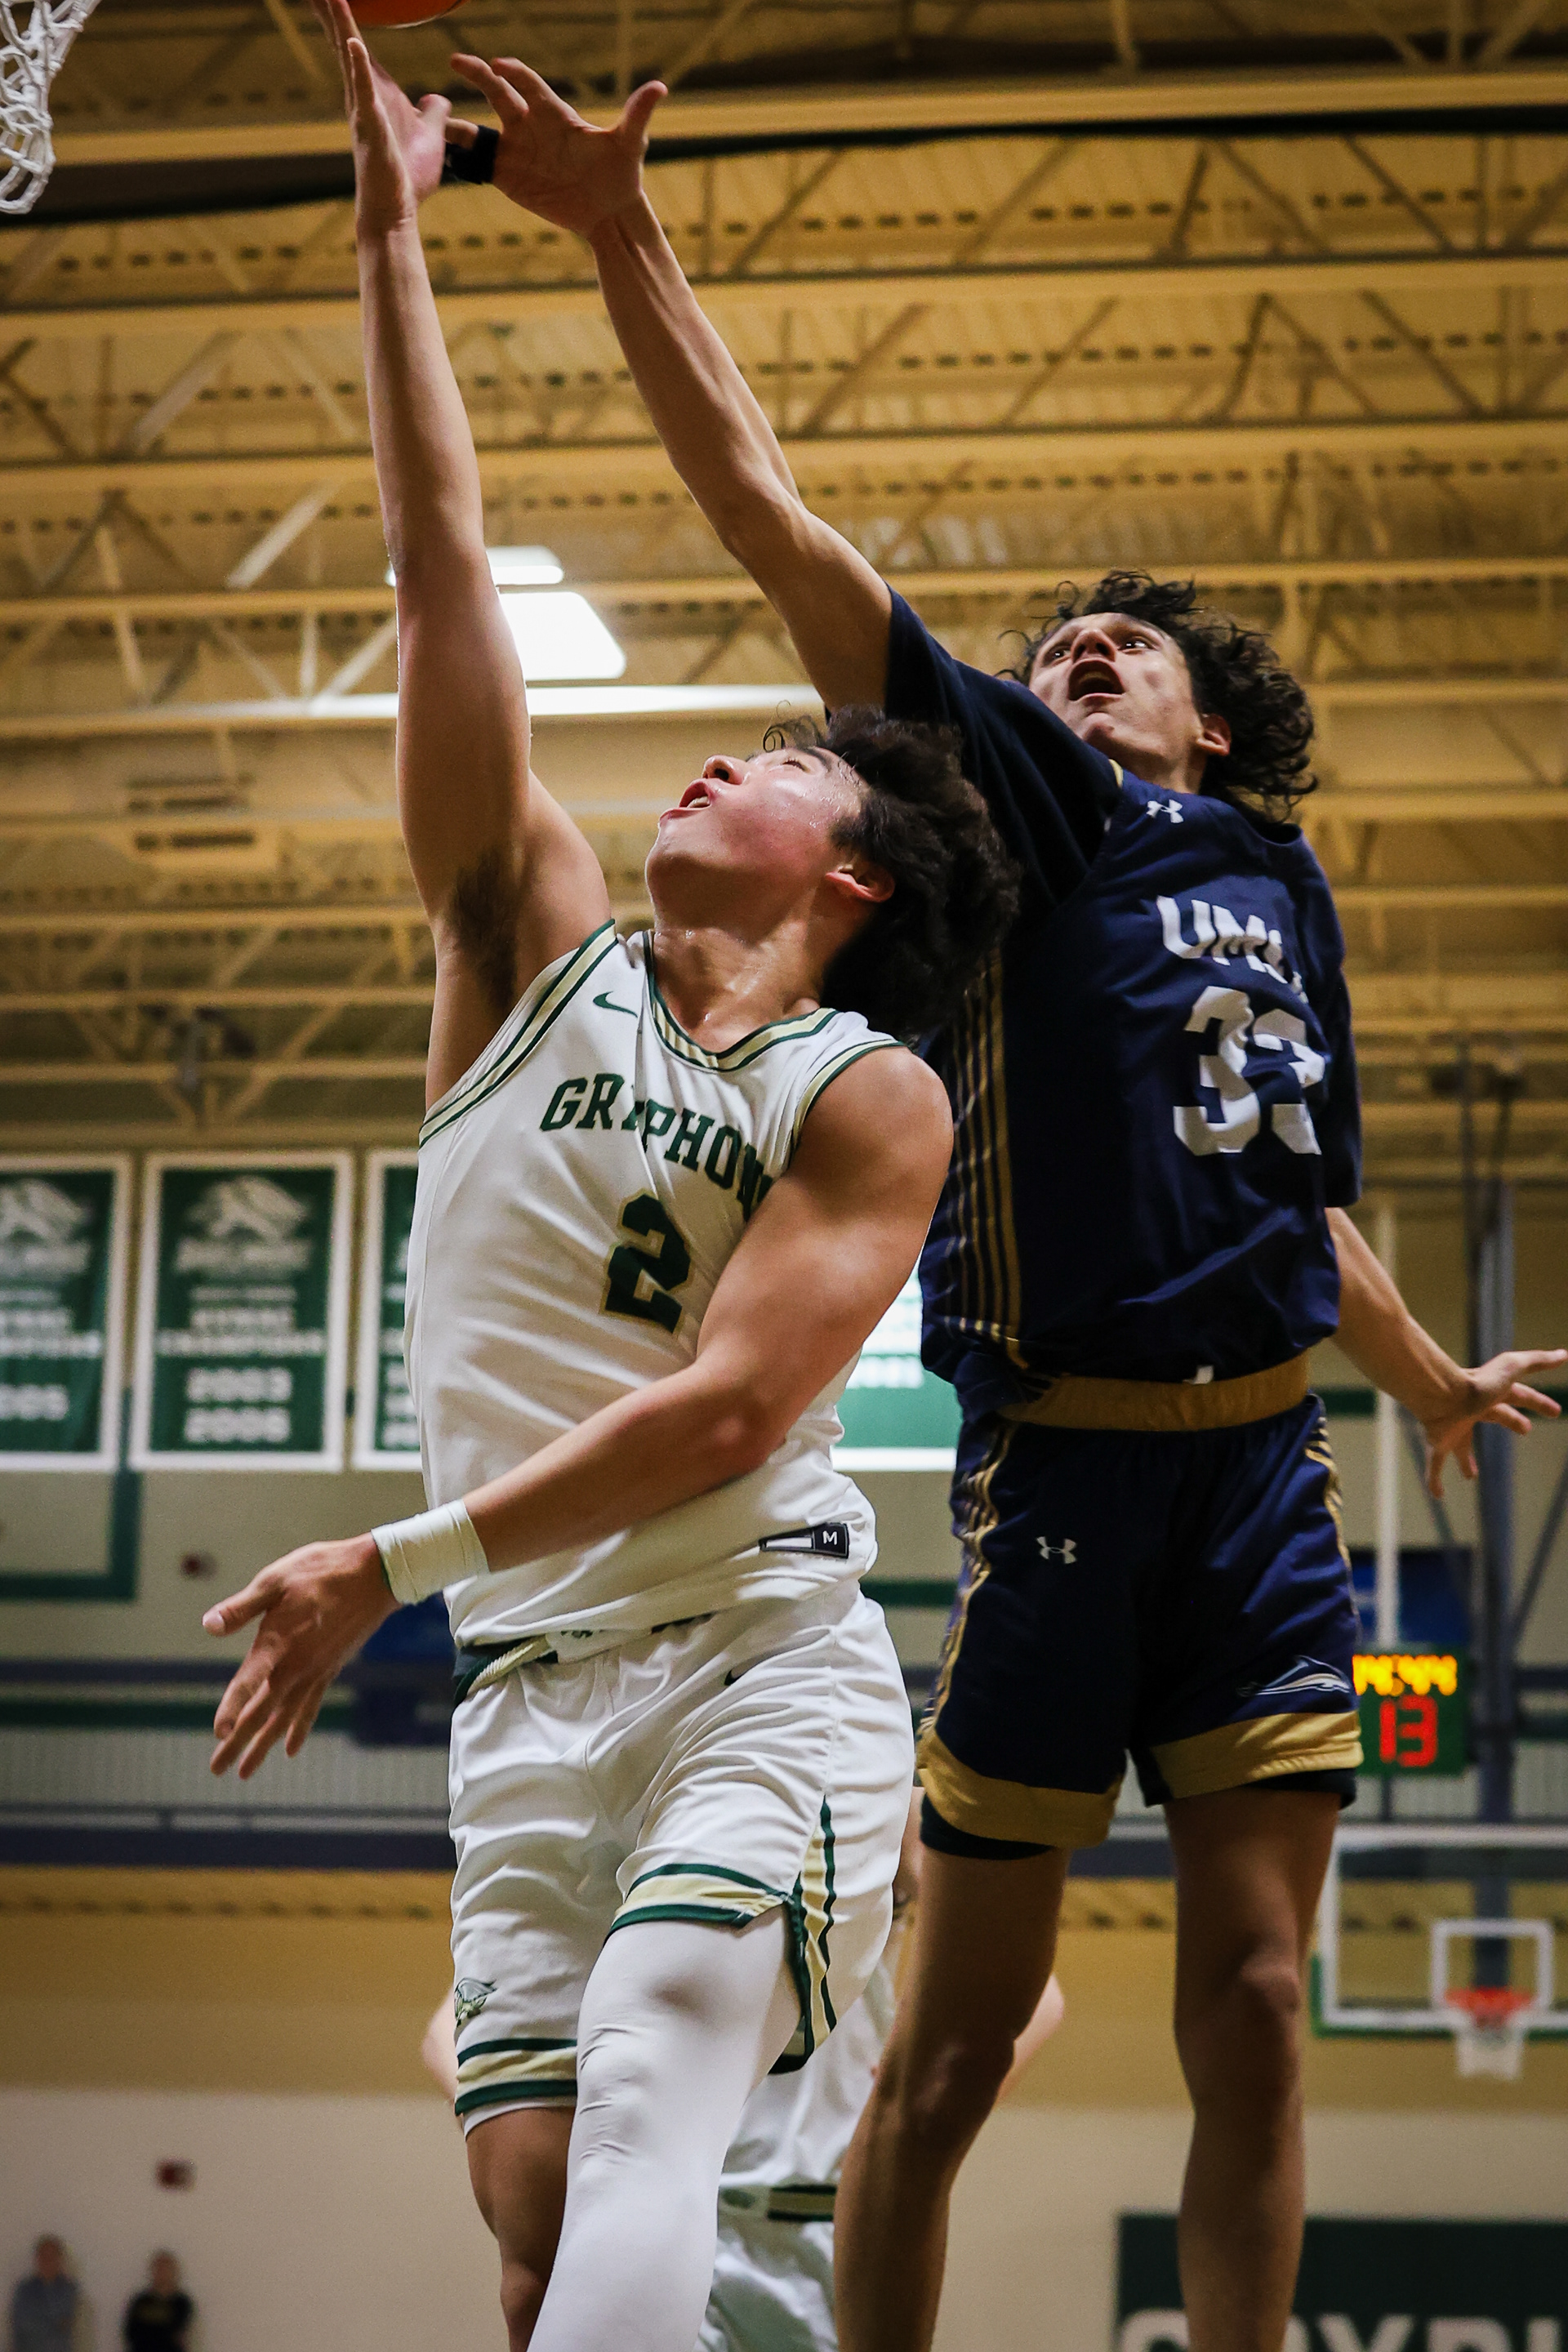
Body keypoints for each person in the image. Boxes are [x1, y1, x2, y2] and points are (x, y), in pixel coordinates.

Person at [425, 53, 1568, 2352]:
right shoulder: (1035, 814)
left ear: (1213, 724)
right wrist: (617, 233)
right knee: (943, 2064)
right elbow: (777, 517)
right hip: (1057, 1477)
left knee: (1254, 1996)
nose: (1083, 650)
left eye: (1126, 645)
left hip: (1262, 1480)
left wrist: (1422, 1368)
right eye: (1063, 641)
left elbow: (1289, 1190)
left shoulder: (1282, 877)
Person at [203, 11, 1014, 2352]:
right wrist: (391, 239)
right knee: (547, 2222)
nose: (706, 764)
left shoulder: (869, 1089)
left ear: (852, 875)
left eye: (763, 762)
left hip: (756, 1645)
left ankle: (822, 2006)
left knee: (662, 2092)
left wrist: (389, 1552)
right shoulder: (516, 941)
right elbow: (435, 562)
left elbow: (742, 1413)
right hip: (521, 1685)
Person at [420, 1789, 1066, 2352]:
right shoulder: (663, 1795)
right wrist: (554, 2125)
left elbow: (1039, 1995)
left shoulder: (876, 1786)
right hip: (687, 2212)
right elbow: (446, 2031)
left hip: (832, 2226)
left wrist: (914, 2093)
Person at [9, 2238, 77, 2352]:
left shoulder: (69, 2289)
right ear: (37, 2259)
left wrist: (38, 2319)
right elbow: (22, 2323)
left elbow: (65, 2321)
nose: (47, 2262)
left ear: (59, 2260)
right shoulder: (24, 2290)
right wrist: (51, 2323)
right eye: (43, 2258)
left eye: (51, 2258)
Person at [121, 2256, 191, 2352]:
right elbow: (131, 2332)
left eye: (166, 2269)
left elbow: (175, 2332)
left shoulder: (181, 2302)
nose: (162, 2274)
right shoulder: (141, 2301)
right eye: (158, 2269)